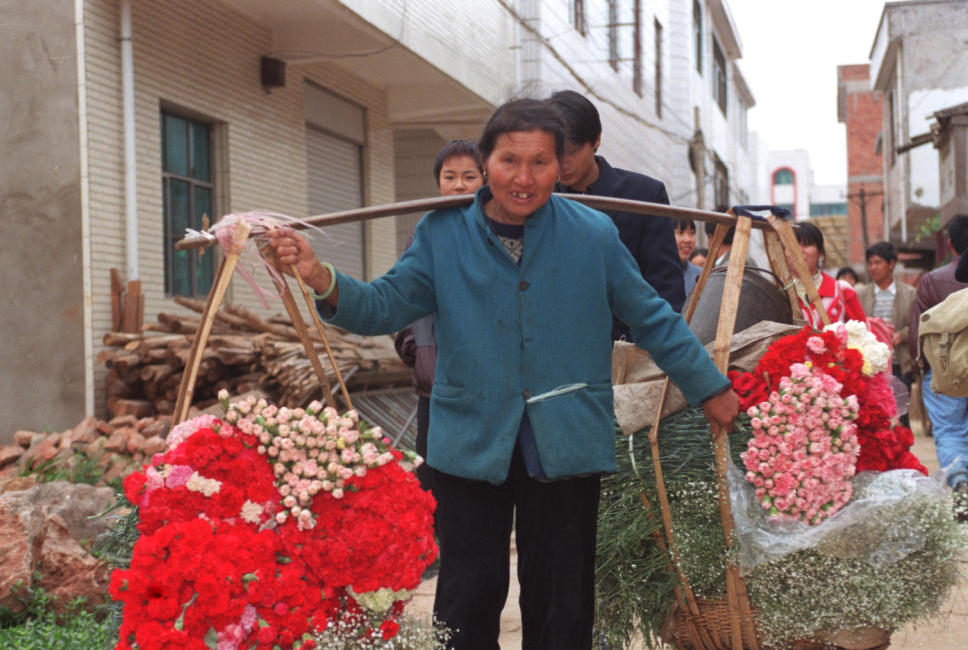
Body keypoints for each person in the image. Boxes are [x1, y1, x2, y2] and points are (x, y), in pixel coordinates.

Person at [269, 98, 739, 650]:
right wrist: (318, 275)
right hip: (469, 439)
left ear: (560, 167)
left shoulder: (592, 233)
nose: (524, 178)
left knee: (563, 605)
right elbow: (381, 306)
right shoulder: (442, 233)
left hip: (565, 439)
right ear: (485, 161)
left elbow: (653, 317)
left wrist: (710, 387)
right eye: (509, 160)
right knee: (465, 599)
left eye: (540, 162)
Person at [547, 90, 685, 340]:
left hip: (626, 346)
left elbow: (667, 286)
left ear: (596, 140)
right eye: (554, 152)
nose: (562, 163)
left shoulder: (643, 196)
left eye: (571, 151)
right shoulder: (542, 200)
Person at [393, 139, 484, 491]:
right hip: (435, 386)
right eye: (450, 177)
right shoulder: (424, 233)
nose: (459, 185)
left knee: (479, 487)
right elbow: (403, 297)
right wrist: (415, 350)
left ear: (485, 181)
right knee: (434, 485)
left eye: (469, 177)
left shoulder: (496, 233)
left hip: (484, 388)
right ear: (438, 183)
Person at [908, 215, 968, 514]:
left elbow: (917, 332)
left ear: (950, 244)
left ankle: (959, 481)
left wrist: (920, 369)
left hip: (945, 373)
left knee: (949, 431)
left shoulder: (933, 280)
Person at [856, 242, 916, 382]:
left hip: (900, 364)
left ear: (891, 264)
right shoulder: (861, 294)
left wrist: (902, 335)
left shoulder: (910, 293)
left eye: (878, 263)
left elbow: (917, 325)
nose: (873, 268)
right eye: (870, 263)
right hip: (869, 365)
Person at [792, 221, 867, 328]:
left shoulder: (842, 290)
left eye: (807, 245)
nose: (799, 251)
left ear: (820, 252)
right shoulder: (780, 294)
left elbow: (862, 333)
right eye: (793, 246)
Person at [674, 219, 702, 298]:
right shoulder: (650, 274)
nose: (688, 239)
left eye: (692, 233)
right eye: (680, 232)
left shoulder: (702, 276)